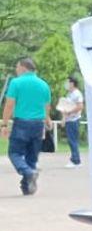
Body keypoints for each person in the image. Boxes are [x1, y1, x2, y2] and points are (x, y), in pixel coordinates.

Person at [1, 57, 52, 195]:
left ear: (23, 68)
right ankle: (27, 188)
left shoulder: (16, 82)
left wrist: (4, 124)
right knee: (31, 157)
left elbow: (9, 104)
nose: (16, 70)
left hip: (22, 123)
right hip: (38, 124)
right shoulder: (44, 84)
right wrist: (47, 119)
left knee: (14, 153)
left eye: (17, 67)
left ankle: (29, 173)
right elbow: (47, 106)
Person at [59, 75, 85, 167]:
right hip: (69, 120)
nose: (66, 84)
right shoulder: (69, 94)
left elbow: (80, 106)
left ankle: (76, 161)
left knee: (73, 140)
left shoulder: (77, 94)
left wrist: (69, 111)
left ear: (72, 83)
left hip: (74, 120)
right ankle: (74, 159)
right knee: (71, 140)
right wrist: (64, 118)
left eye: (68, 82)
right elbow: (65, 107)